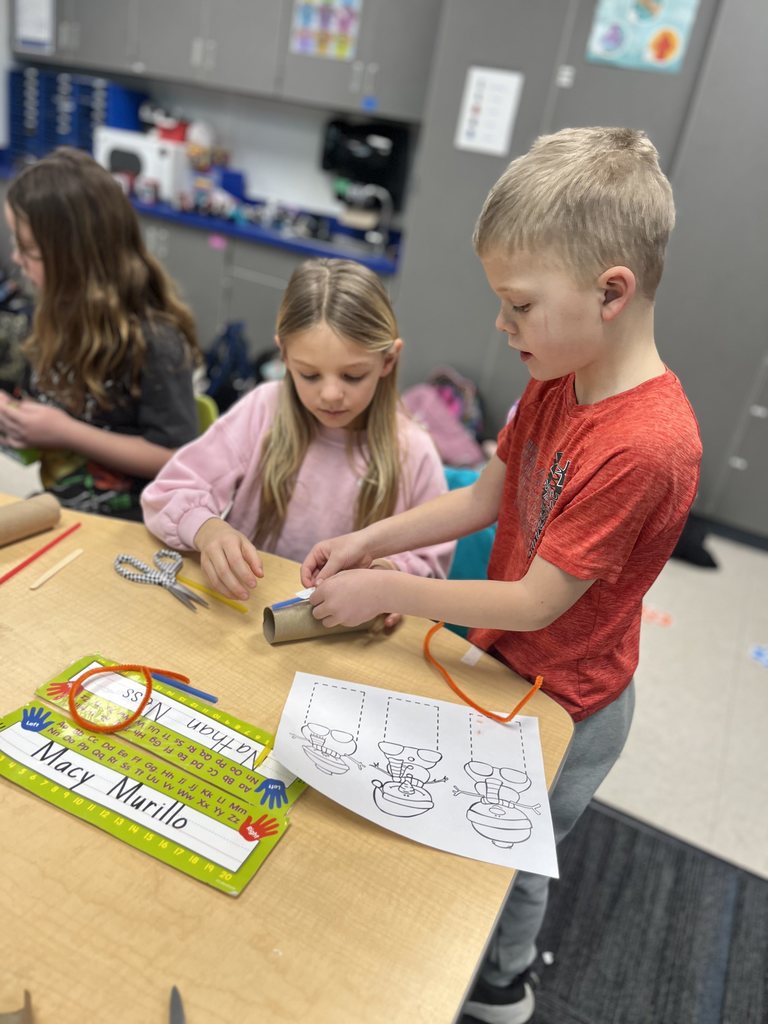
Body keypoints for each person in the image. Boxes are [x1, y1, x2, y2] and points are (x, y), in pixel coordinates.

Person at [299, 127, 702, 1024]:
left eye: (518, 304)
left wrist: (389, 590)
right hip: (507, 669)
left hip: (570, 702)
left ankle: (503, 982)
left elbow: (536, 598)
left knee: (514, 859)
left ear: (610, 292)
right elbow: (487, 493)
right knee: (465, 838)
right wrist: (373, 541)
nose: (500, 324)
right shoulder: (559, 373)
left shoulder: (646, 443)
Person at [141, 257, 454, 601]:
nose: (331, 394)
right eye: (309, 374)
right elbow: (167, 493)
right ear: (284, 357)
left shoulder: (414, 450)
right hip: (249, 610)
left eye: (352, 376)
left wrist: (388, 578)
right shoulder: (263, 409)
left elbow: (429, 564)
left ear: (388, 361)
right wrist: (207, 529)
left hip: (351, 636)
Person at [0, 147, 200, 520]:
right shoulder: (51, 312)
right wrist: (14, 415)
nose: (15, 259)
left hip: (126, 524)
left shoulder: (154, 340)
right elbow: (39, 404)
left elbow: (175, 458)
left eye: (28, 249)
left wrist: (66, 432)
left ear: (73, 256)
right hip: (62, 507)